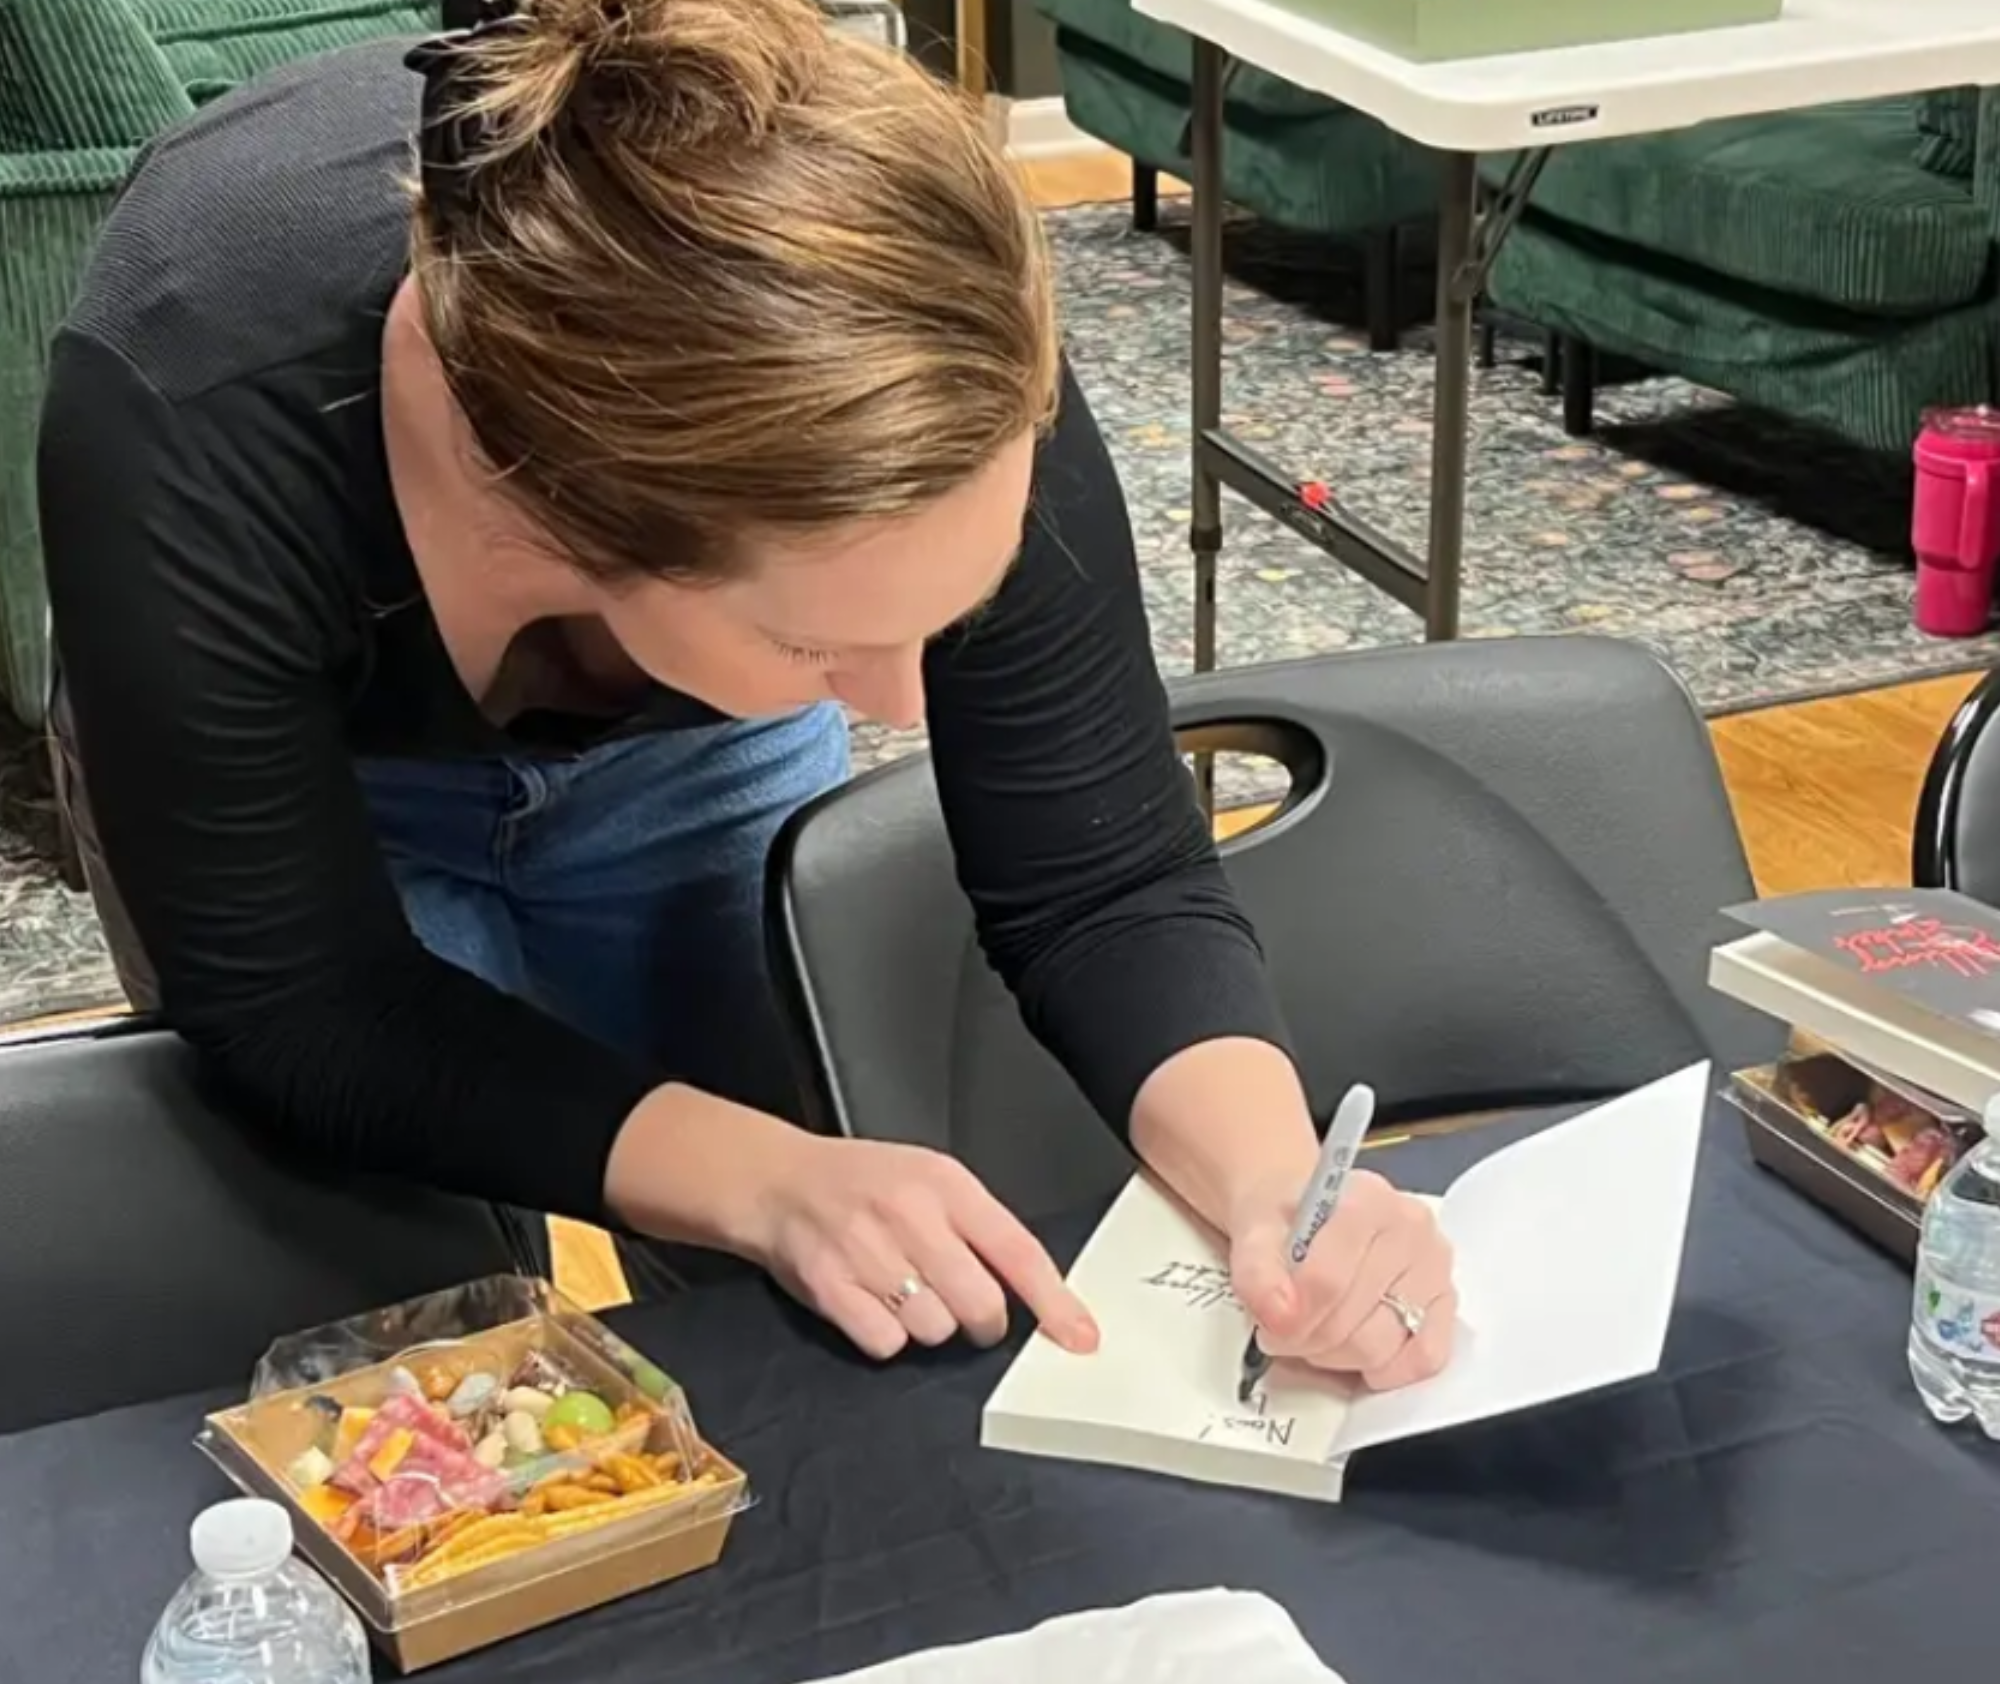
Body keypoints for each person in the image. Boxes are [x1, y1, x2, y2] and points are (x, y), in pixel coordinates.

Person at [37, 0, 1457, 1385]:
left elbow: (1102, 875)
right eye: (813, 652)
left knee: (790, 1276)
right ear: (556, 520)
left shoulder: (918, 352)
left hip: (674, 748)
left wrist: (1277, 1180)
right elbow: (308, 1005)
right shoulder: (189, 400)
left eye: (941, 614)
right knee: (392, 1338)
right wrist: (757, 1178)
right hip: (307, 789)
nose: (899, 698)